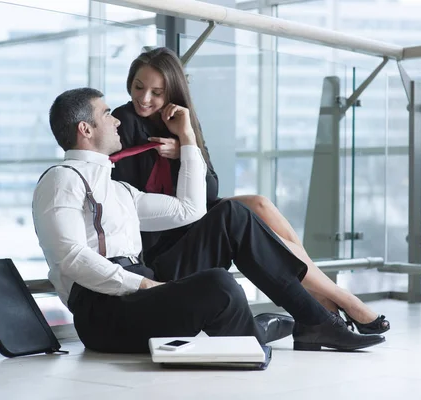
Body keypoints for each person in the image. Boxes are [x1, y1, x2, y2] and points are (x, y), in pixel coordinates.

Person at [32, 87, 385, 354]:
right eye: (107, 113)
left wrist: (187, 141)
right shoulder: (61, 180)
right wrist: (144, 286)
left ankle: (312, 320)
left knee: (232, 216)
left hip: (144, 286)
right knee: (219, 287)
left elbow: (191, 210)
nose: (117, 119)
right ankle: (253, 335)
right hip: (105, 310)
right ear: (86, 129)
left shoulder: (119, 189)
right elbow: (73, 260)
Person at [111, 47, 389, 335]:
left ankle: (322, 297)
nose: (144, 99)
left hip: (189, 224)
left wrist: (186, 144)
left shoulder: (182, 121)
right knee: (238, 214)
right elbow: (136, 203)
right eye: (138, 87)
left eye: (156, 92)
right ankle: (339, 299)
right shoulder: (124, 121)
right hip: (163, 247)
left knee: (259, 204)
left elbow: (210, 189)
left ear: (172, 92)